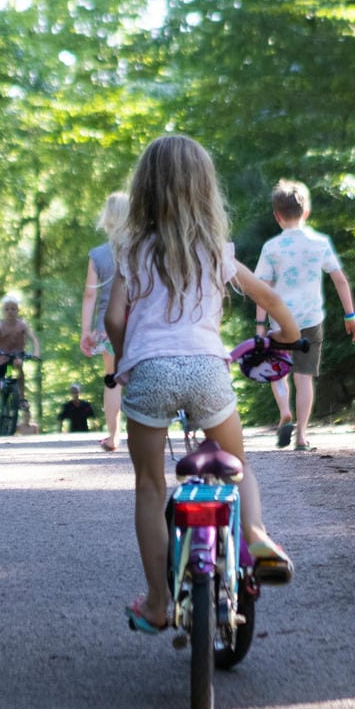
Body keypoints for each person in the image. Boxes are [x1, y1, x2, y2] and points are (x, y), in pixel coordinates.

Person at [105, 135, 302, 634]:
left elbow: (113, 319)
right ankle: (255, 534)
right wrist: (287, 336)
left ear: (144, 189)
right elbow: (270, 299)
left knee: (150, 486)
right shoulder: (216, 251)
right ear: (203, 189)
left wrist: (128, 357)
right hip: (207, 373)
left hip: (149, 375)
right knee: (237, 466)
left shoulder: (129, 250)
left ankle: (157, 603)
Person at [252, 179, 355, 452]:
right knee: (304, 378)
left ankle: (284, 411)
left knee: (278, 372)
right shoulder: (319, 243)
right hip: (310, 321)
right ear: (306, 212)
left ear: (277, 216)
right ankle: (301, 436)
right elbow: (340, 280)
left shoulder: (272, 248)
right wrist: (350, 315)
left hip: (280, 321)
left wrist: (260, 325)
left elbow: (263, 289)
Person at [79, 192, 130, 451]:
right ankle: (152, 430)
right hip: (141, 324)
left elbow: (90, 295)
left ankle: (114, 436)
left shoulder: (98, 255)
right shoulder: (143, 249)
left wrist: (86, 331)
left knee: (112, 379)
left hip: (108, 327)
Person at [0, 296, 40, 435]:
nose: (10, 312)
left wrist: (36, 352)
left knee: (18, 365)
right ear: (3, 311)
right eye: (7, 309)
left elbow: (33, 338)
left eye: (13, 309)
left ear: (18, 310)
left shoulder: (22, 325)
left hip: (16, 356)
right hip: (1, 358)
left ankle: (21, 398)